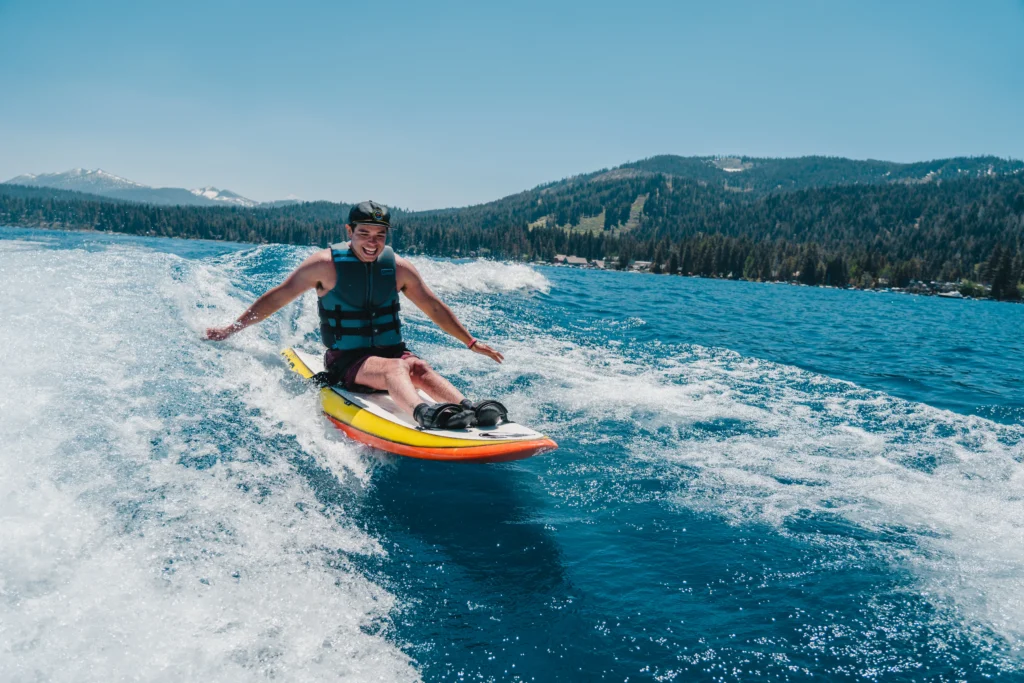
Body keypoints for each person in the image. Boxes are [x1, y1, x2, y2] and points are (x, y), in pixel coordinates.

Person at [205, 200, 508, 430]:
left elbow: (434, 307)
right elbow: (278, 298)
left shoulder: (398, 268)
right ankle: (422, 413)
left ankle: (469, 408)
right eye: (364, 233)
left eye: (380, 235)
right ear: (349, 232)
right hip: (347, 362)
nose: (372, 242)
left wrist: (470, 342)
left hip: (392, 352)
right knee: (396, 369)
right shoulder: (324, 265)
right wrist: (231, 329)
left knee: (418, 366)